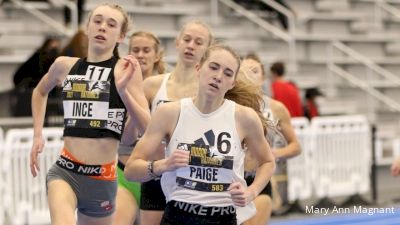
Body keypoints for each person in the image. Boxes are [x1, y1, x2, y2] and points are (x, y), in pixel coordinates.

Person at [124, 44, 276, 225]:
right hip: (178, 215)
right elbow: (131, 170)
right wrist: (164, 164)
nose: (218, 77)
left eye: (227, 73)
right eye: (213, 67)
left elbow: (268, 161)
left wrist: (251, 192)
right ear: (199, 68)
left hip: (223, 217)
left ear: (232, 83)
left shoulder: (244, 117)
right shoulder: (169, 113)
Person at [29, 4, 150, 225]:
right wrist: (37, 134)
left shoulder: (126, 71)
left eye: (111, 24)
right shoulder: (64, 65)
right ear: (87, 27)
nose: (103, 27)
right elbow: (39, 91)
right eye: (97, 21)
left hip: (102, 179)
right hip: (65, 172)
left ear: (121, 36)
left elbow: (147, 127)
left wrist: (124, 92)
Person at [137, 20, 213, 225]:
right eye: (187, 39)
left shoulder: (210, 91)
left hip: (192, 180)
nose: (191, 45)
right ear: (177, 43)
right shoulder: (152, 86)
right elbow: (131, 135)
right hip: (156, 175)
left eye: (198, 42)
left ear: (207, 51)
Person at [240, 53, 301, 225]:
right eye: (244, 71)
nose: (249, 75)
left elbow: (296, 146)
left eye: (254, 71)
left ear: (263, 77)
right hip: (232, 179)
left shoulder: (276, 108)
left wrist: (272, 154)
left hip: (260, 178)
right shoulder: (229, 104)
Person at [114, 30, 166, 225]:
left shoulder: (166, 87)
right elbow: (124, 137)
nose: (141, 55)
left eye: (146, 50)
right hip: (125, 174)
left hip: (157, 177)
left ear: (157, 55)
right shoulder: (120, 86)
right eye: (136, 50)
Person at [12, 36, 61, 117]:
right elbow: (18, 76)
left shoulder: (51, 58)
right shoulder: (39, 57)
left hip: (42, 93)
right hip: (32, 93)